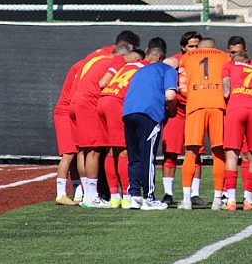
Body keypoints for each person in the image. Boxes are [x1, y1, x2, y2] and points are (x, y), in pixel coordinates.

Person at [71, 43, 134, 208]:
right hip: (89, 104)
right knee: (94, 150)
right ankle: (92, 196)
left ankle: (86, 194)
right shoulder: (118, 62)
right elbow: (103, 83)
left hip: (78, 101)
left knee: (84, 150)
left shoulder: (100, 59)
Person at [177, 38, 231, 210]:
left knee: (191, 152)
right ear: (214, 47)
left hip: (195, 105)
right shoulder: (223, 56)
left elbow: (182, 87)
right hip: (218, 105)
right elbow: (227, 84)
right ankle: (217, 199)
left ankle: (186, 199)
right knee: (218, 153)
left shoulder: (187, 57)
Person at [123, 46, 177, 210]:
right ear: (161, 57)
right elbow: (170, 95)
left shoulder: (140, 71)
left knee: (134, 158)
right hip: (149, 113)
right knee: (148, 157)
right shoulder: (168, 69)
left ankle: (134, 196)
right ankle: (149, 197)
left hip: (128, 112)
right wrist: (172, 111)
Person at [161, 31, 208, 207]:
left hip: (196, 109)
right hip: (177, 110)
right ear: (183, 47)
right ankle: (168, 193)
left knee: (196, 153)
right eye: (191, 46)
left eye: (197, 46)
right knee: (170, 152)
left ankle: (194, 193)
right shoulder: (175, 61)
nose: (194, 49)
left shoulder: (205, 60)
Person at [97, 47, 147, 209]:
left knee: (111, 150)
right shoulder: (144, 66)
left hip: (103, 99)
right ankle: (127, 195)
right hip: (116, 103)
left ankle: (114, 196)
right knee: (124, 150)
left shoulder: (124, 66)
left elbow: (103, 82)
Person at [221, 50, 252, 211]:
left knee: (232, 154)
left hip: (236, 108)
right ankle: (249, 200)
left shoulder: (229, 65)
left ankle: (231, 201)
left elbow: (226, 92)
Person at [53, 60, 83, 206]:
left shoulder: (83, 65)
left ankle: (77, 192)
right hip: (66, 113)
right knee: (69, 153)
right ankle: (61, 194)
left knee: (75, 153)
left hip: (71, 112)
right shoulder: (81, 67)